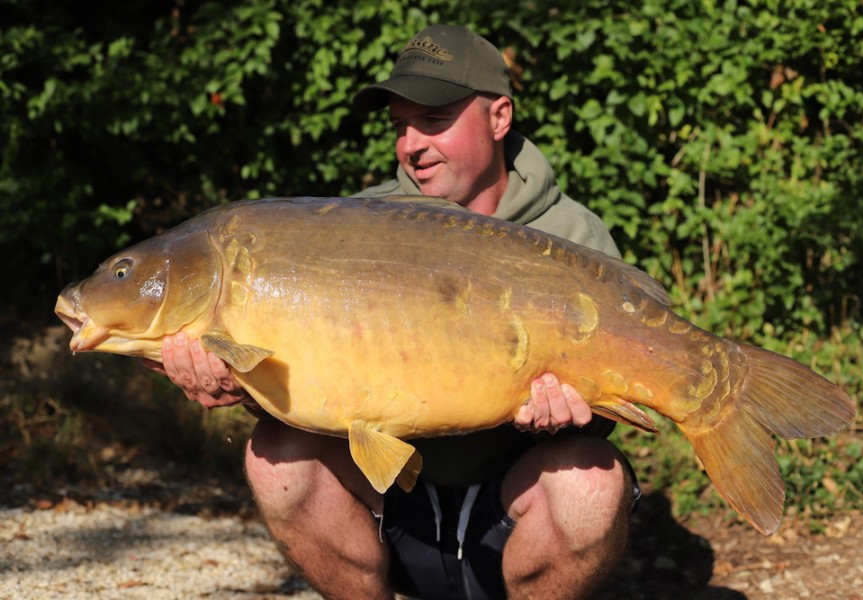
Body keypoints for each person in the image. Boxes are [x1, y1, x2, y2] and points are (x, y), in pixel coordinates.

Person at [147, 24, 640, 599]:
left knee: (590, 481)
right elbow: (317, 382)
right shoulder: (356, 226)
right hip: (395, 512)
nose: (412, 145)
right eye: (400, 126)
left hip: (511, 517)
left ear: (499, 117)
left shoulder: (572, 236)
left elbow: (612, 403)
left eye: (433, 121)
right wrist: (237, 387)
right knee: (275, 460)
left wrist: (577, 416)